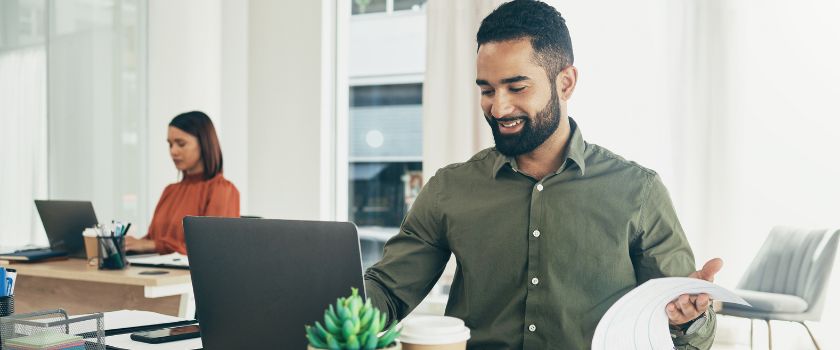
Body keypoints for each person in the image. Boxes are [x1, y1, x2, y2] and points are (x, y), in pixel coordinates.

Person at [364, 1, 720, 349]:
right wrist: (331, 301)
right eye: (487, 90)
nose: (498, 107)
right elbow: (389, 291)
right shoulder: (450, 189)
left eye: (517, 88)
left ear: (565, 83)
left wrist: (687, 317)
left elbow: (691, 328)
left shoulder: (638, 192)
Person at [126, 111, 239, 255]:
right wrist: (128, 246)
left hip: (190, 277)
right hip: (158, 275)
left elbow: (212, 248)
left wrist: (153, 245)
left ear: (204, 143)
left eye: (181, 144)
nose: (173, 151)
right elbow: (152, 240)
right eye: (170, 144)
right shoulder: (170, 191)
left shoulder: (222, 190)